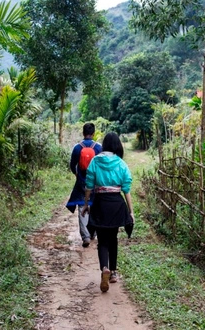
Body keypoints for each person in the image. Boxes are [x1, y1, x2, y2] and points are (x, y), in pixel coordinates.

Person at [81, 132, 134, 293]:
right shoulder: (121, 163)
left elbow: (89, 185)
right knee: (113, 238)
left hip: (101, 203)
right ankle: (113, 272)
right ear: (117, 145)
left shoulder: (95, 162)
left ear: (104, 145)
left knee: (102, 240)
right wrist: (131, 211)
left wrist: (86, 204)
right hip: (116, 204)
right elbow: (126, 189)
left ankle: (104, 268)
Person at [66, 123, 102, 247]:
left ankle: (85, 237)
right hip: (96, 182)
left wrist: (77, 174)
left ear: (83, 133)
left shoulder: (77, 147)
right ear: (93, 133)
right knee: (95, 207)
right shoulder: (98, 147)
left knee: (82, 207)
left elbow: (72, 165)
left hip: (82, 182)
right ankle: (93, 233)